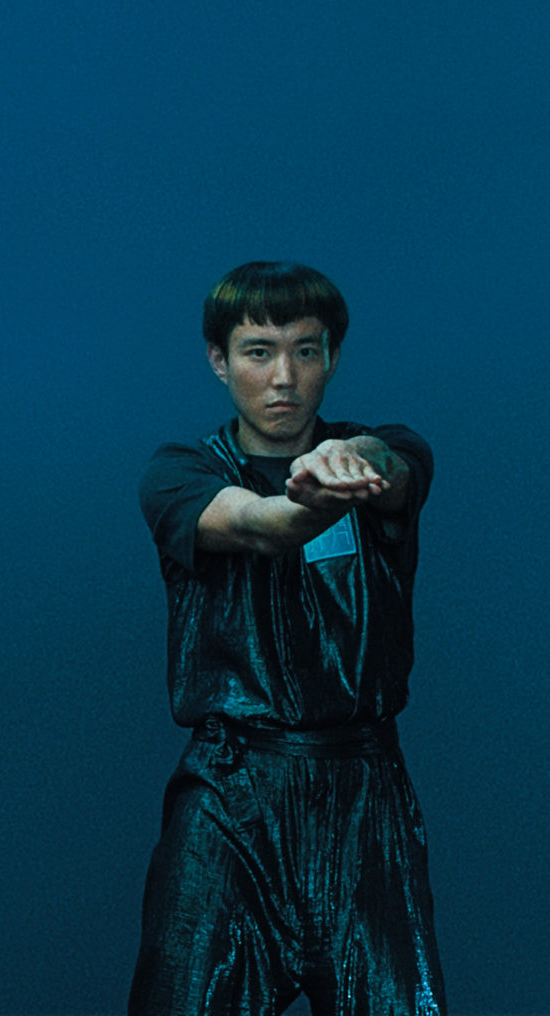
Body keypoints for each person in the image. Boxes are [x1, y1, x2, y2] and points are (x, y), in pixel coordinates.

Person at [131, 262, 445, 1015]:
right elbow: (254, 524)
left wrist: (356, 461)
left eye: (306, 351)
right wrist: (308, 505)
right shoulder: (181, 472)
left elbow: (396, 466)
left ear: (332, 358)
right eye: (258, 351)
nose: (284, 378)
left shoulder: (381, 454)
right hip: (232, 791)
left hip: (362, 790)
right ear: (220, 360)